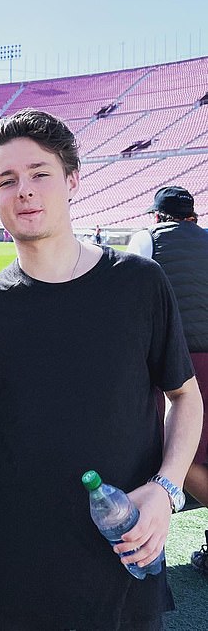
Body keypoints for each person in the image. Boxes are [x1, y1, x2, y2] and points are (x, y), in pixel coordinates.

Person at [0, 109, 203, 630]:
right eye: (7, 180)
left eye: (39, 173)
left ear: (71, 180)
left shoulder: (140, 282)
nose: (24, 190)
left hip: (126, 546)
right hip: (19, 557)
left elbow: (185, 396)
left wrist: (167, 489)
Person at [128, 185, 208, 576]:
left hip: (176, 364)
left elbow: (127, 296)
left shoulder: (146, 240)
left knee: (176, 452)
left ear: (157, 216)